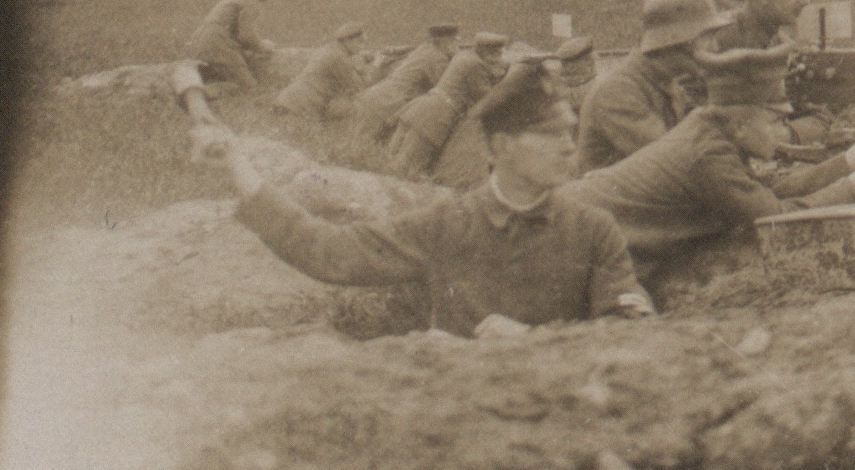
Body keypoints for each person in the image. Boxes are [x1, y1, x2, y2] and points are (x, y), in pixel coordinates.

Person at [202, 62, 655, 337]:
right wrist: (237, 167)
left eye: (571, 134)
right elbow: (329, 253)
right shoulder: (449, 223)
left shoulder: (593, 229)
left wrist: (534, 342)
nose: (567, 147)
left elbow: (631, 333)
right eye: (549, 134)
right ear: (498, 147)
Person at [564, 46, 855, 283]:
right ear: (739, 120)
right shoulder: (707, 155)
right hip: (568, 247)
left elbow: (766, 194)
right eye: (774, 120)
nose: (783, 129)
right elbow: (778, 220)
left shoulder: (710, 133)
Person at [576, 0, 732, 174]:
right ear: (679, 40)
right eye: (707, 37)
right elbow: (676, 161)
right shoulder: (619, 90)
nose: (715, 47)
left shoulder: (665, 82)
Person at [389, 32, 509, 178]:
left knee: (390, 160)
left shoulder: (463, 56)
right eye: (497, 54)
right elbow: (487, 99)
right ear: (489, 53)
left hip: (421, 108)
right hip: (434, 117)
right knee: (407, 170)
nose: (499, 58)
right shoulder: (475, 65)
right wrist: (506, 76)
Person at [350, 24, 460, 146]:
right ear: (443, 41)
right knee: (361, 151)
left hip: (375, 98)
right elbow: (443, 87)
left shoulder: (424, 49)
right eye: (453, 41)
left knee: (363, 150)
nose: (455, 45)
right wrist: (456, 60)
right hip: (384, 105)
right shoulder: (438, 58)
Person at [187, 0, 279, 89]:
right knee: (248, 86)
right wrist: (262, 45)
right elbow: (246, 36)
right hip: (217, 44)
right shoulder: (251, 2)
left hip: (199, 42)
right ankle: (209, 92)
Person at [273, 22, 370, 122]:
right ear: (347, 40)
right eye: (359, 42)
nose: (362, 47)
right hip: (299, 108)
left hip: (287, 100)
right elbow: (361, 89)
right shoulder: (338, 57)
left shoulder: (327, 49)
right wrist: (372, 66)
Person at [552, 36, 599, 113]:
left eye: (566, 63)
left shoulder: (557, 89)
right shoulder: (599, 86)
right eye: (564, 63)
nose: (564, 67)